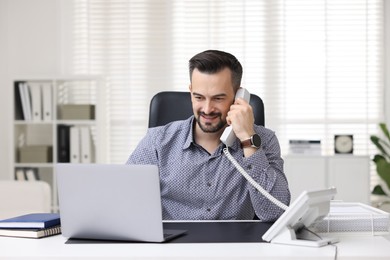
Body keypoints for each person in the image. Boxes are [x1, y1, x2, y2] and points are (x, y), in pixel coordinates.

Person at [126, 50, 290, 221]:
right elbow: (124, 201)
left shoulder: (263, 140)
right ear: (190, 92)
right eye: (199, 97)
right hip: (171, 246)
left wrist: (248, 139)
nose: (207, 109)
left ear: (238, 98)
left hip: (237, 246)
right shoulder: (157, 142)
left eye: (218, 98)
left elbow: (275, 213)